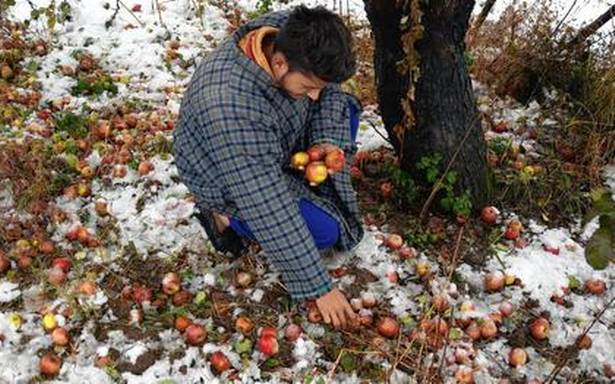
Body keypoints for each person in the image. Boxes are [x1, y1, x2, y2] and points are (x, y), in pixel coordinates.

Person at [173, 5, 364, 329]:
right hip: (224, 174)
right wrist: (319, 287)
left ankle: (300, 182)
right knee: (325, 230)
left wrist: (326, 141)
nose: (315, 96)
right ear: (278, 64)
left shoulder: (294, 37)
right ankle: (222, 217)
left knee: (345, 110)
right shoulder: (229, 104)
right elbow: (267, 203)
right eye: (307, 87)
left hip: (273, 137)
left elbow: (327, 89)